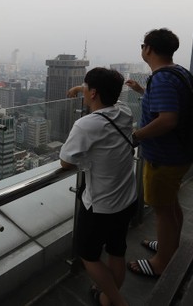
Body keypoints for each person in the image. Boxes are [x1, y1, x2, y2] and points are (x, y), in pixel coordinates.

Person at [61, 67, 137, 306]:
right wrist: (81, 89)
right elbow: (105, 101)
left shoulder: (85, 125)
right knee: (117, 251)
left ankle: (117, 301)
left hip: (101, 204)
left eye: (85, 88)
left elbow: (66, 162)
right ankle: (106, 298)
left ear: (93, 93)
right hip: (127, 196)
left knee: (89, 256)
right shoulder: (124, 110)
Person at [125, 28, 192, 278]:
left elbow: (167, 120)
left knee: (162, 210)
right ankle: (169, 246)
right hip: (180, 152)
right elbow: (170, 106)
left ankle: (162, 262)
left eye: (143, 45)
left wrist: (136, 136)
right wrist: (142, 92)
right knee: (171, 205)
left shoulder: (162, 78)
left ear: (149, 49)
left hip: (165, 156)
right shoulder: (178, 72)